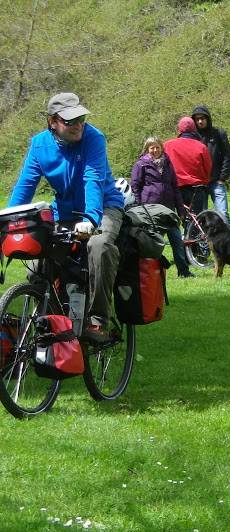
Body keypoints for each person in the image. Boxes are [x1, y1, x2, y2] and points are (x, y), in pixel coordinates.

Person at [7, 92, 125, 344]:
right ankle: (48, 320)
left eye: (81, 118)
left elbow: (92, 179)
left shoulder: (94, 138)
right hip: (64, 211)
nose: (78, 124)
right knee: (41, 260)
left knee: (98, 246)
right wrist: (7, 220)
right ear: (53, 122)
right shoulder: (39, 145)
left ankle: (98, 320)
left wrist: (92, 220)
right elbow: (25, 186)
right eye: (70, 121)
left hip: (103, 207)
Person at [130, 136, 194, 277]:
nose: (155, 150)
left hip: (169, 210)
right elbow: (135, 187)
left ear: (161, 148)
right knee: (154, 243)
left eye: (157, 147)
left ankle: (183, 271)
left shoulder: (168, 163)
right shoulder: (141, 165)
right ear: (147, 149)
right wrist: (139, 208)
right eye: (152, 147)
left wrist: (181, 209)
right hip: (150, 211)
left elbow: (174, 187)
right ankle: (153, 273)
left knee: (177, 241)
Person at [191, 105, 230, 229]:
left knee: (223, 214)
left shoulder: (218, 134)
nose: (200, 121)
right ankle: (204, 246)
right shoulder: (192, 137)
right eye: (197, 119)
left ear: (208, 118)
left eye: (202, 118)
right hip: (199, 184)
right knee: (202, 216)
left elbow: (228, 156)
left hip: (216, 181)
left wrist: (222, 178)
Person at [163, 117, 212, 220]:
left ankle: (185, 234)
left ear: (179, 129)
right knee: (198, 219)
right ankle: (194, 235)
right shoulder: (201, 146)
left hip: (176, 187)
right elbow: (208, 168)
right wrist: (206, 182)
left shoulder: (167, 145)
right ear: (194, 128)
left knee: (180, 217)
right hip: (197, 187)